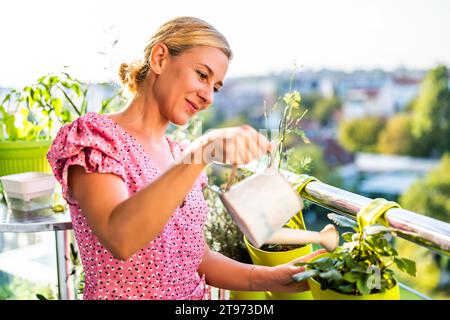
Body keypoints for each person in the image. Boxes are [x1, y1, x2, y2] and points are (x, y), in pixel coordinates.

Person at [47, 16, 325, 300]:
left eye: (216, 87)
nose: (209, 98)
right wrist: (202, 150)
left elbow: (195, 258)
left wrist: (272, 278)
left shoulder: (179, 155)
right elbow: (121, 237)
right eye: (202, 75)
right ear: (159, 58)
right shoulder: (95, 138)